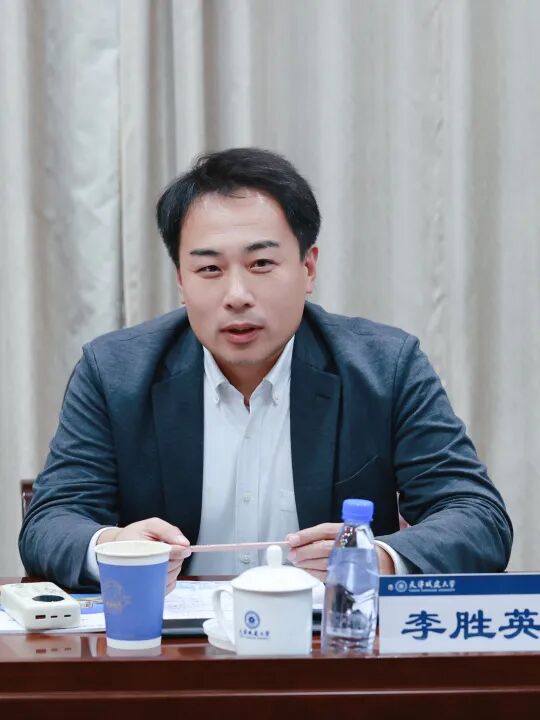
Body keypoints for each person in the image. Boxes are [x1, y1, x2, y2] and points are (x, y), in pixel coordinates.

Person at [19, 148, 512, 592]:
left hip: (332, 646)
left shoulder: (385, 367)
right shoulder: (114, 373)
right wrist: (114, 547)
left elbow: (476, 516)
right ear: (181, 282)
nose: (237, 295)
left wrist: (375, 559)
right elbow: (52, 520)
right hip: (170, 648)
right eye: (209, 269)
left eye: (260, 264)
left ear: (308, 268)